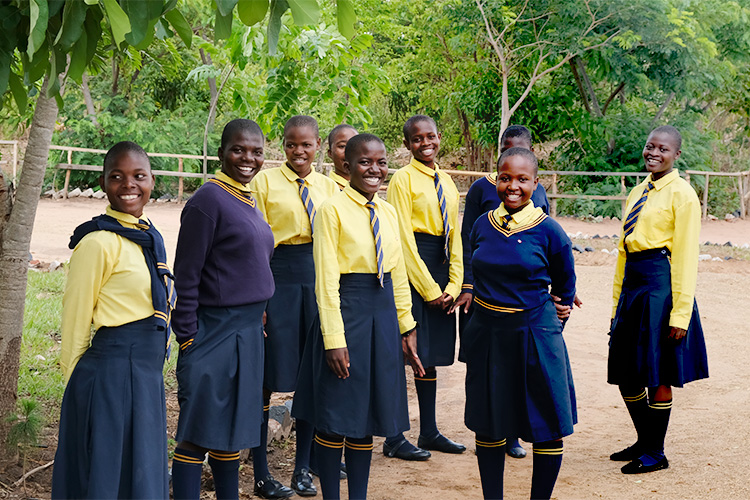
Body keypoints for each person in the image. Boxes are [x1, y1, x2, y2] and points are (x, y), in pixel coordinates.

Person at [294, 133, 425, 499]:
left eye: (381, 162)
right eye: (365, 162)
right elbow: (326, 280)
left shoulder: (388, 211)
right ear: (347, 166)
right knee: (336, 415)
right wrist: (334, 340)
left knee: (366, 417)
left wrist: (407, 325)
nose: (375, 169)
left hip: (381, 317)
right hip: (346, 314)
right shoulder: (331, 210)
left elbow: (398, 274)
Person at [52, 141, 172, 499]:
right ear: (103, 183)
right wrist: (80, 397)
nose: (128, 185)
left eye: (138, 176)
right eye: (117, 177)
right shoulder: (98, 242)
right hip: (110, 377)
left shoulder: (149, 235)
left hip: (146, 375)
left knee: (141, 474)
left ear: (153, 180)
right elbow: (75, 322)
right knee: (108, 476)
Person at [454, 124, 576, 459]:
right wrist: (468, 286)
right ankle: (499, 432)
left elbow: (555, 264)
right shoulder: (483, 207)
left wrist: (554, 310)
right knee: (491, 388)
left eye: (523, 178)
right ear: (496, 174)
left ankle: (516, 436)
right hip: (490, 317)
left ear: (535, 178)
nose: (513, 185)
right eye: (505, 176)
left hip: (532, 320)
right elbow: (471, 243)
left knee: (535, 394)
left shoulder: (546, 222)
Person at [170, 119, 274, 500]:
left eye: (257, 151)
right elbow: (187, 273)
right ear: (221, 153)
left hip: (246, 333)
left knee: (231, 433)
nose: (248, 158)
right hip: (212, 333)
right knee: (199, 433)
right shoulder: (208, 201)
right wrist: (189, 338)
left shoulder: (246, 197)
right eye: (239, 150)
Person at [608, 125, 708, 474]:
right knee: (626, 370)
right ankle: (644, 439)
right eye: (650, 146)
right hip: (633, 285)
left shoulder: (682, 194)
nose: (654, 153)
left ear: (676, 155)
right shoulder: (637, 191)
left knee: (657, 372)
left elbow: (685, 256)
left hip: (659, 288)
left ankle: (656, 452)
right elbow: (623, 252)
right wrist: (615, 306)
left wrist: (680, 314)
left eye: (663, 149)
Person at [251, 115, 340, 498]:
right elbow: (256, 243)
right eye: (291, 144)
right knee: (267, 379)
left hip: (317, 278)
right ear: (281, 146)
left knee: (311, 379)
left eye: (306, 144)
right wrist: (261, 300)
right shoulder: (264, 182)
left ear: (318, 145)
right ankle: (260, 471)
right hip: (277, 277)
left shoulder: (329, 187)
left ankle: (303, 468)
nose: (298, 151)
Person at [384, 114, 465, 460]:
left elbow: (455, 234)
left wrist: (456, 281)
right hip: (414, 268)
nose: (425, 143)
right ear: (407, 145)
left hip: (443, 266)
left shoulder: (446, 180)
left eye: (430, 136)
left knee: (428, 356)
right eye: (417, 139)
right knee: (405, 352)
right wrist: (429, 288)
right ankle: (393, 435)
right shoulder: (402, 180)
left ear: (439, 136)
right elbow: (402, 237)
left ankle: (429, 431)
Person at [327, 124, 359, 189]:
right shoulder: (326, 188)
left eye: (354, 146)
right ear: (330, 153)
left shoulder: (367, 186)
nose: (349, 151)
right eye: (342, 146)